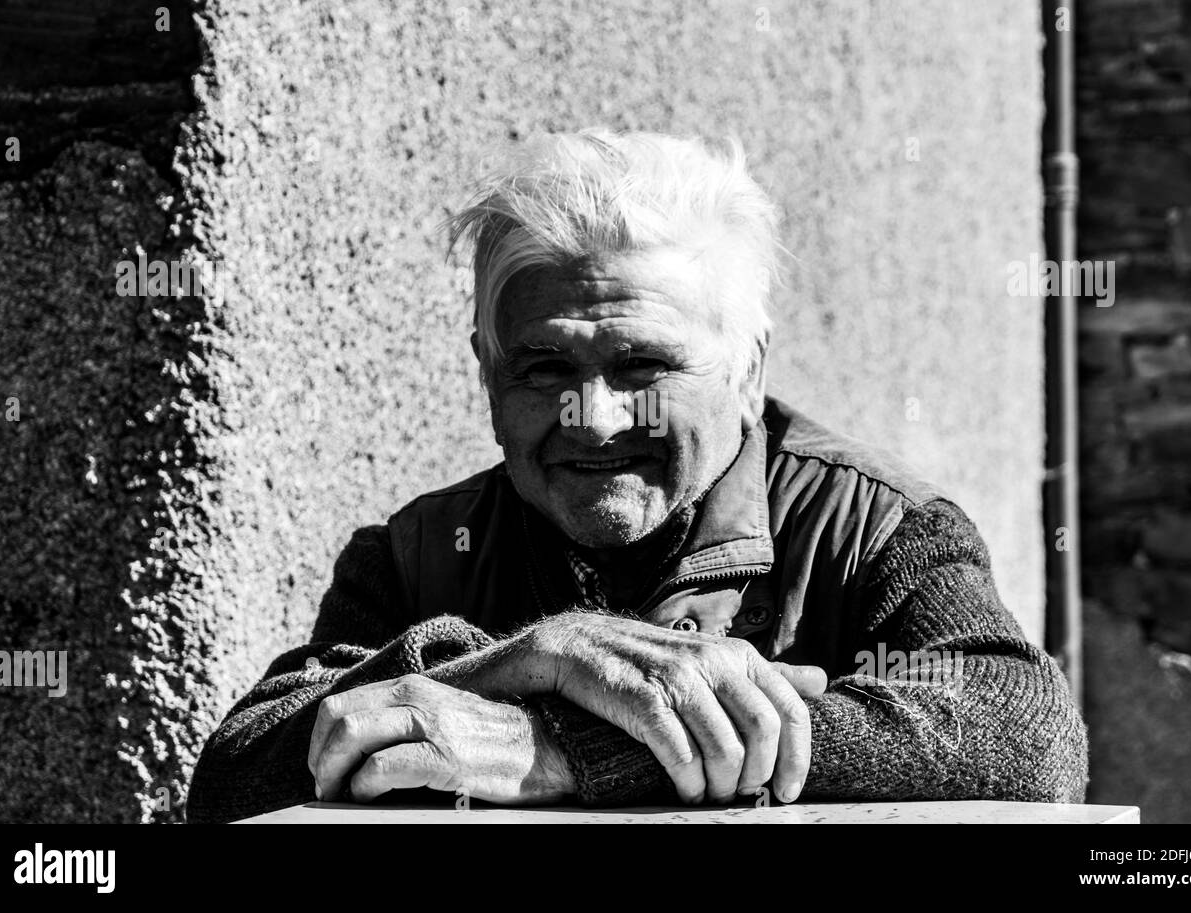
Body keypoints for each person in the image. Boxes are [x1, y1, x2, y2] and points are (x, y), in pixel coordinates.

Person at [186, 129, 1088, 823]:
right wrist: (524, 658)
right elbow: (233, 780)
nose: (596, 418)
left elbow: (1027, 737)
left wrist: (551, 748)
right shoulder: (416, 555)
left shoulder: (877, 528)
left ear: (748, 372)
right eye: (543, 369)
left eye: (644, 366)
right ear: (485, 371)